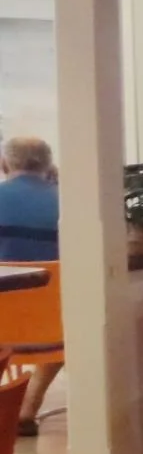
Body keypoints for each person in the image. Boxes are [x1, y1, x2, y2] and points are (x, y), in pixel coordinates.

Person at [0, 137, 61, 434]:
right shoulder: (69, 202)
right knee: (64, 319)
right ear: (49, 165)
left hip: (3, 322)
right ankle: (26, 408)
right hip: (54, 330)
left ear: (4, 164)